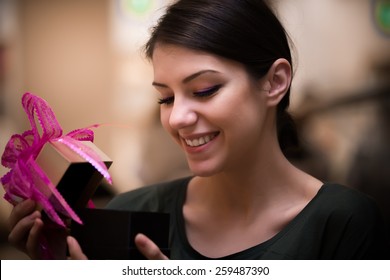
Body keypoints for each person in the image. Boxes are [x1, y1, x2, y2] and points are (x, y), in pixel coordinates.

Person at [7, 0, 389, 260]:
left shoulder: (344, 222)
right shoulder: (131, 213)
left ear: (275, 82)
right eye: (166, 98)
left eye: (204, 90)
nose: (177, 118)